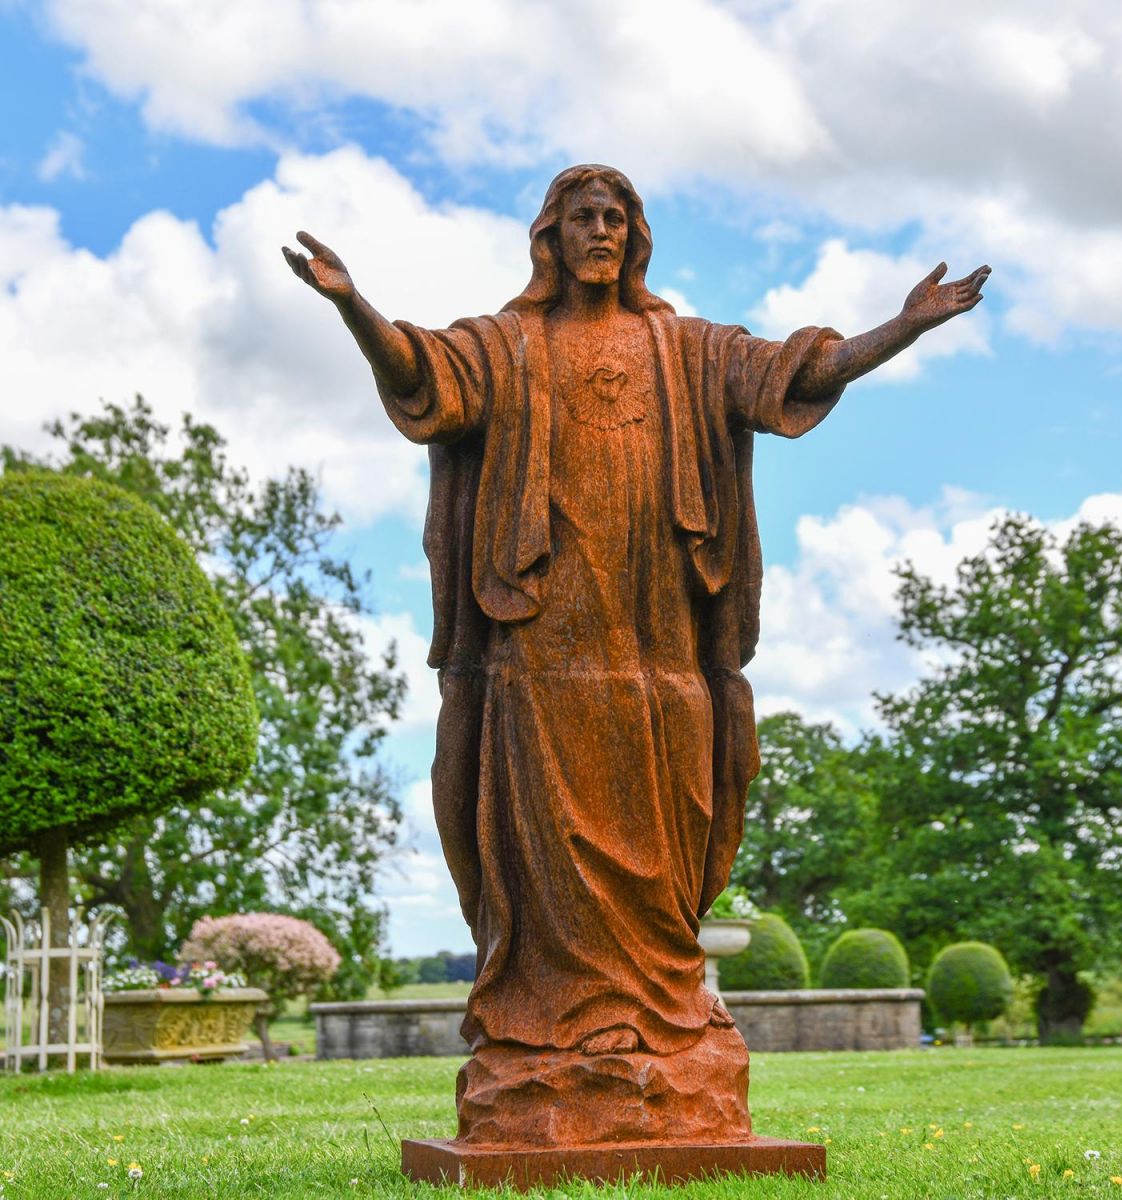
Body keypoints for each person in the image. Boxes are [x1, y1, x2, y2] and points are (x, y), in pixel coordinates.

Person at [283, 164, 988, 1145]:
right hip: (540, 647)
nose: (602, 230)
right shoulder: (508, 346)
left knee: (671, 845)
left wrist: (900, 329)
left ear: (636, 236)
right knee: (546, 860)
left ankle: (663, 1025)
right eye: (584, 217)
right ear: (553, 237)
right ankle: (546, 1040)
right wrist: (354, 307)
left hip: (660, 651)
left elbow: (794, 375)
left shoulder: (689, 352)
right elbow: (423, 381)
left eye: (617, 216)